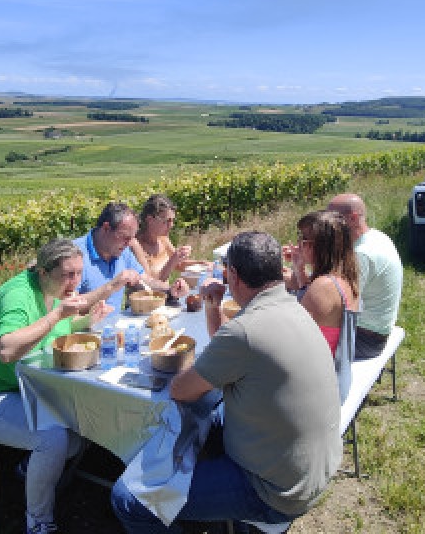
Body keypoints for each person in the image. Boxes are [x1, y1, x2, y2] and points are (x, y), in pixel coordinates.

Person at [110, 231, 342, 533]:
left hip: (274, 492)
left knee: (127, 499)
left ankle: (168, 487)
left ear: (232, 273)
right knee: (209, 411)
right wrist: (213, 305)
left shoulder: (246, 331)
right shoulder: (294, 307)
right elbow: (233, 353)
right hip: (313, 470)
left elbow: (181, 390)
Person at [0, 238, 119, 534]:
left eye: (79, 273)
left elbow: (54, 329)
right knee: (53, 439)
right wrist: (57, 314)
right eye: (67, 275)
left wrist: (84, 322)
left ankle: (28, 468)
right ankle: (38, 521)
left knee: (78, 432)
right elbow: (7, 349)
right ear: (43, 272)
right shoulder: (17, 295)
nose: (75, 283)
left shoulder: (50, 289)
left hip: (22, 390)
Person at [327, 193, 404, 360]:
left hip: (364, 339)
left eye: (332, 219)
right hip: (374, 332)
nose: (327, 225)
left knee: (295, 340)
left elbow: (336, 304)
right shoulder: (376, 237)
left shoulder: (361, 255)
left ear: (353, 219)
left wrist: (301, 278)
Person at [75, 201, 188, 309]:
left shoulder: (122, 250)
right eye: (125, 237)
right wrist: (112, 286)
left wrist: (170, 290)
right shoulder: (75, 255)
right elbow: (67, 306)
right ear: (106, 228)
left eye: (132, 238)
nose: (129, 244)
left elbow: (145, 280)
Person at [285, 210, 360, 356]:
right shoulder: (345, 276)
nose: (299, 243)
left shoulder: (324, 286)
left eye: (303, 239)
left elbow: (293, 334)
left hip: (319, 373)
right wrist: (299, 268)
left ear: (320, 246)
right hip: (332, 368)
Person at [129, 194, 194, 282]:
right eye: (167, 221)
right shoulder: (136, 246)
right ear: (150, 220)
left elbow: (179, 265)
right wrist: (173, 260)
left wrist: (204, 264)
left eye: (172, 221)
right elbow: (149, 284)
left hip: (166, 293)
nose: (171, 225)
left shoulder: (163, 238)